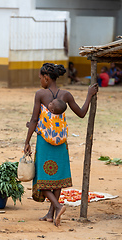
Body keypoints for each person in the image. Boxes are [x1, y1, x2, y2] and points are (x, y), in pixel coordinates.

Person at [24, 63, 98, 227]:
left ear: (46, 77)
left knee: (41, 178)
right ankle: (51, 214)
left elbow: (35, 120)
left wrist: (27, 141)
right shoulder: (66, 94)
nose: (40, 81)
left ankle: (58, 206)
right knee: (58, 178)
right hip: (61, 142)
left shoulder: (40, 94)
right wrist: (89, 95)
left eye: (40, 78)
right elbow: (82, 113)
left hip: (44, 142)